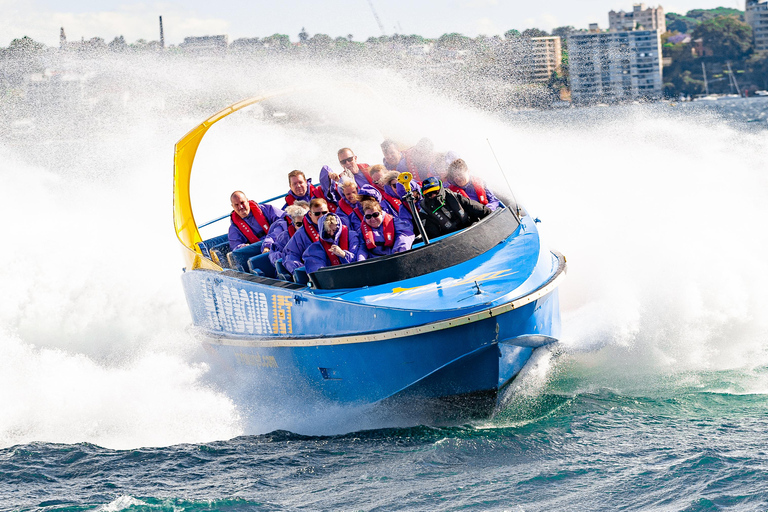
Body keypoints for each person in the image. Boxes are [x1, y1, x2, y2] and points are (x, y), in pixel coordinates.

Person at [418, 177, 491, 239]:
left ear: (440, 189)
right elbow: (434, 237)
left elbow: (480, 209)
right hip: (450, 240)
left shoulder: (454, 197)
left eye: (435, 191)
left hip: (471, 231)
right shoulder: (425, 213)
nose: (433, 195)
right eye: (429, 194)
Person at [282, 198, 329, 274]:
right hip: (318, 273)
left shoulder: (338, 226)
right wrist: (304, 271)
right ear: (310, 214)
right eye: (317, 214)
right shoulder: (301, 234)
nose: (321, 216)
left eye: (324, 213)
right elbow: (290, 256)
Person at [262, 201, 310, 267]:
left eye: (305, 223)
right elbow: (273, 239)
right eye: (299, 224)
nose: (302, 227)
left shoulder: (318, 231)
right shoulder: (285, 236)